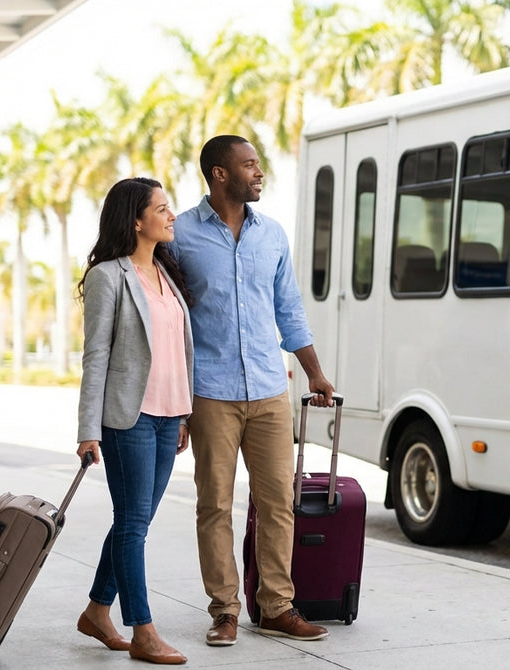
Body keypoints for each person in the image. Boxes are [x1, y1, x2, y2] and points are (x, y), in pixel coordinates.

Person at [170, 135, 336, 646]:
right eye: (249, 165)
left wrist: (314, 372)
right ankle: (224, 611)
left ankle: (276, 607)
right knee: (214, 505)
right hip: (211, 392)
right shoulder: (179, 236)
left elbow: (289, 310)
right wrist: (178, 406)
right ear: (220, 174)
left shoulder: (273, 235)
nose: (259, 173)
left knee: (278, 504)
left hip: (268, 388)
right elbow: (171, 320)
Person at [75, 177, 194, 665]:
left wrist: (185, 414)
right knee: (132, 524)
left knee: (134, 521)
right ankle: (143, 630)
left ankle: (97, 612)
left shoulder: (167, 273)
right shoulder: (109, 276)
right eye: (162, 209)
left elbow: (176, 351)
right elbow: (96, 356)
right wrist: (87, 428)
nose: (171, 216)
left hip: (170, 416)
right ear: (136, 220)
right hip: (130, 418)